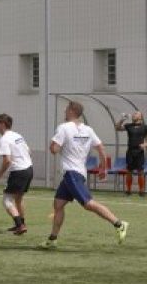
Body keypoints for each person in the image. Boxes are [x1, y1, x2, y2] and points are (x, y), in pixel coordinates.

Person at [41, 101, 129, 249]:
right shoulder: (88, 129)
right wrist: (103, 168)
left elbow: (54, 149)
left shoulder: (63, 128)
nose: (64, 112)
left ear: (71, 111)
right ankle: (52, 239)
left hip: (71, 173)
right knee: (58, 204)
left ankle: (119, 224)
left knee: (88, 203)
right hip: (79, 172)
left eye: (66, 109)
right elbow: (101, 148)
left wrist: (53, 143)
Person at [0, 114, 33, 235]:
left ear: (3, 124)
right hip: (29, 169)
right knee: (18, 199)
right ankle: (22, 224)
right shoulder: (17, 135)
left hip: (18, 171)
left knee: (7, 200)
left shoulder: (4, 139)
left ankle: (19, 225)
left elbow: (7, 160)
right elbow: (29, 151)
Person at [115, 111, 147, 197]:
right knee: (129, 171)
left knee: (140, 171)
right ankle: (128, 190)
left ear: (140, 117)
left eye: (136, 114)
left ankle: (141, 191)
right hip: (130, 151)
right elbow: (117, 128)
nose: (133, 115)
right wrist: (122, 119)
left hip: (139, 152)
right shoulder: (129, 126)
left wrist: (145, 144)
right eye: (133, 114)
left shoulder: (145, 127)